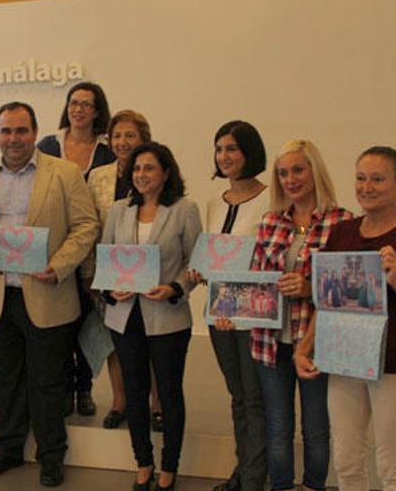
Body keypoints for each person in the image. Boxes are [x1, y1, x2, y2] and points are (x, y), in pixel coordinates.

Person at [0, 102, 98, 487]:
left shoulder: (65, 174)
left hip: (47, 291)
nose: (13, 139)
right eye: (6, 131)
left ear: (35, 133)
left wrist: (61, 264)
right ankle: (8, 449)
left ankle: (51, 456)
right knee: (6, 379)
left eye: (21, 131)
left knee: (48, 382)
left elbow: (86, 226)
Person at [295, 146, 396, 491]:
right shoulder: (343, 232)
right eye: (361, 179)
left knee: (392, 465)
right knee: (347, 461)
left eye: (378, 179)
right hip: (345, 362)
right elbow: (326, 302)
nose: (367, 187)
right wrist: (304, 348)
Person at [248, 140, 354, 491]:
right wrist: (233, 308)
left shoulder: (342, 222)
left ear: (314, 171)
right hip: (271, 341)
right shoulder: (270, 221)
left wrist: (310, 289)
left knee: (317, 427)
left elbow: (349, 288)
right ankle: (281, 486)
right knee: (278, 426)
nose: (290, 179)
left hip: (316, 341)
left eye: (297, 170)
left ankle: (313, 486)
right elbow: (256, 278)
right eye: (283, 173)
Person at [101, 142, 201, 491]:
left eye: (150, 168)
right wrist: (110, 289)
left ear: (166, 173)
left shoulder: (184, 209)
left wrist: (174, 287)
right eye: (137, 169)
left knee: (170, 393)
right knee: (134, 390)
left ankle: (169, 468)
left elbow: (195, 262)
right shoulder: (118, 210)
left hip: (168, 317)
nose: (142, 175)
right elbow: (107, 259)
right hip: (124, 316)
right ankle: (143, 462)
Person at [188, 120, 270, 491]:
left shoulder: (271, 200)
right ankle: (243, 472)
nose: (224, 156)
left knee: (256, 399)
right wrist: (199, 271)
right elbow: (211, 259)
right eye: (219, 149)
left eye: (232, 149)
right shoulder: (212, 204)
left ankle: (255, 478)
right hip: (220, 315)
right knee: (238, 397)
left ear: (249, 152)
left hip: (255, 316)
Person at [38, 82, 115, 417]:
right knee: (59, 326)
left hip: (92, 248)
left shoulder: (108, 150)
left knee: (87, 321)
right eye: (74, 103)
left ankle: (83, 388)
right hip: (53, 249)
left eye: (86, 104)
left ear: (98, 111)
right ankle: (63, 388)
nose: (78, 109)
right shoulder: (48, 146)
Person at [84, 110, 163, 430]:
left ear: (143, 138)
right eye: (116, 136)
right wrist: (91, 275)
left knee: (152, 341)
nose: (122, 142)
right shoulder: (97, 176)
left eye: (130, 135)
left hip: (149, 274)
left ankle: (157, 403)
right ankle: (121, 400)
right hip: (110, 274)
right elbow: (89, 226)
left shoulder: (156, 172)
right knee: (113, 340)